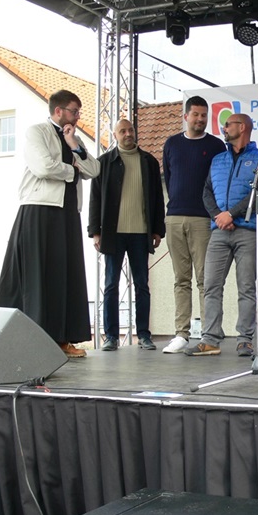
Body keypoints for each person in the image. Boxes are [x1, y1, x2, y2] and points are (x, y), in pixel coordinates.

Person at [0, 90, 100, 358]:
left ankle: (62, 340)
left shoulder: (74, 138)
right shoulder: (37, 132)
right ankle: (33, 344)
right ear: (58, 111)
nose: (77, 117)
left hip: (68, 213)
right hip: (39, 210)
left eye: (78, 112)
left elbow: (94, 170)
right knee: (38, 278)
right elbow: (43, 167)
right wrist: (72, 170)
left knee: (65, 277)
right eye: (74, 111)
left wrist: (74, 144)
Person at [188, 114, 258, 357]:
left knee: (246, 286)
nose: (224, 128)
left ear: (242, 127)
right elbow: (206, 192)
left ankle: (245, 339)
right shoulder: (218, 160)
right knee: (211, 285)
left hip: (247, 229)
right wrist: (218, 216)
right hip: (219, 231)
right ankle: (210, 339)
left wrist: (231, 215)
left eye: (228, 125)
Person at [88, 119, 166, 352]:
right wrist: (95, 232)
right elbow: (95, 199)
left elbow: (157, 198)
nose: (128, 134)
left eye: (130, 130)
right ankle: (111, 336)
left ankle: (143, 335)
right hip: (112, 233)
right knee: (111, 285)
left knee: (142, 285)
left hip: (140, 233)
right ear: (115, 135)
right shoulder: (104, 162)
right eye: (122, 131)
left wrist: (157, 229)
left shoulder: (149, 162)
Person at [162, 96, 226, 354]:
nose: (200, 119)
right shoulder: (172, 143)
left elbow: (219, 182)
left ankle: (208, 334)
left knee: (205, 279)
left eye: (204, 115)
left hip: (203, 219)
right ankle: (181, 334)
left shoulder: (216, 146)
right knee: (181, 279)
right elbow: (169, 177)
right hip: (174, 217)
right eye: (196, 114)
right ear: (186, 116)